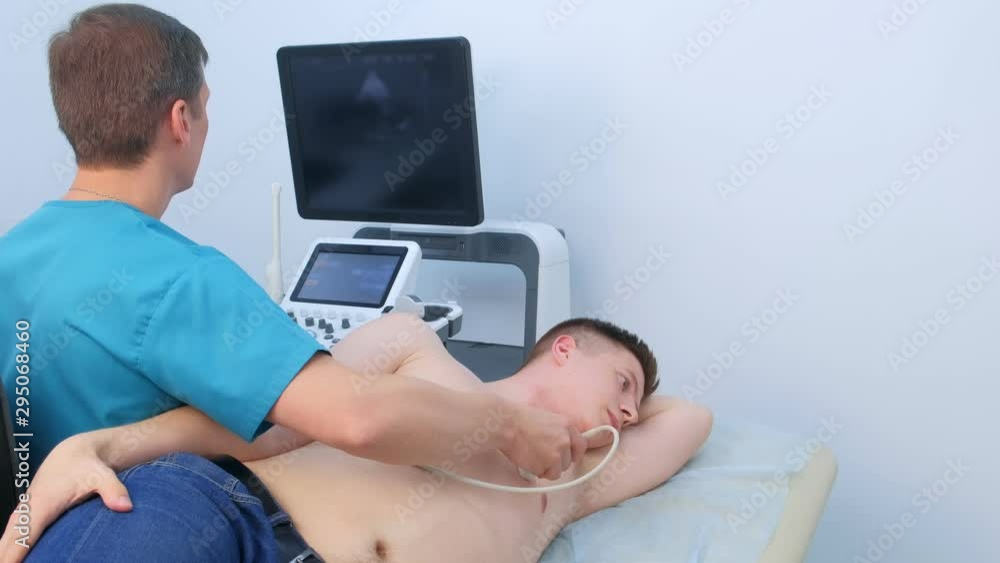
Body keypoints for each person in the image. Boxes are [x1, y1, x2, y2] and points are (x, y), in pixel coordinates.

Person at [0, 0, 584, 508]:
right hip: (166, 519)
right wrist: (509, 425)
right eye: (204, 105)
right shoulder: (181, 278)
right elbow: (359, 419)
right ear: (180, 120)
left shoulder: (14, 252)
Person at [5, 315, 713, 562]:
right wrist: (104, 446)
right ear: (564, 347)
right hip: (228, 513)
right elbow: (269, 424)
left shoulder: (565, 488)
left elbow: (690, 418)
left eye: (635, 403)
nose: (630, 411)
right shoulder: (418, 349)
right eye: (623, 382)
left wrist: (597, 424)